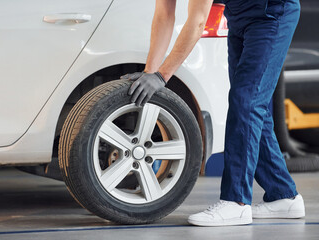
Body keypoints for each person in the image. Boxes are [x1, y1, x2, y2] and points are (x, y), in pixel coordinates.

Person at [121, 0, 306, 227]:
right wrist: (149, 72)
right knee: (254, 107)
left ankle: (236, 202)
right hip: (238, 17)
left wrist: (162, 76)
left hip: (272, 13)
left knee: (246, 103)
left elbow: (197, 22)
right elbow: (163, 16)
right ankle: (284, 196)